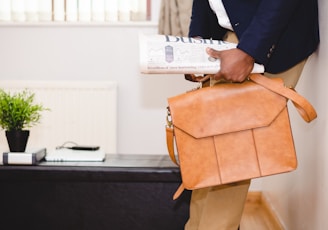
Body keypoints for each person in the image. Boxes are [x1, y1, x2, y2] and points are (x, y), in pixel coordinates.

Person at [184, 0, 320, 230]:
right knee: (209, 150)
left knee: (232, 154)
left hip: (268, 39)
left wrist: (249, 51)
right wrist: (195, 41)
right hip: (228, 36)